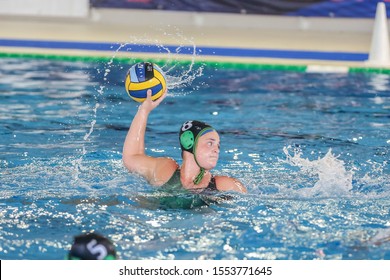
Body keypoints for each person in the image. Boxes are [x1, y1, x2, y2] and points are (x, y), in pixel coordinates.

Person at [122, 89, 246, 194]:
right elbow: (131, 157)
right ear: (189, 142)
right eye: (210, 143)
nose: (216, 150)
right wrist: (144, 111)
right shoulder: (165, 171)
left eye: (218, 146)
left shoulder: (225, 185)